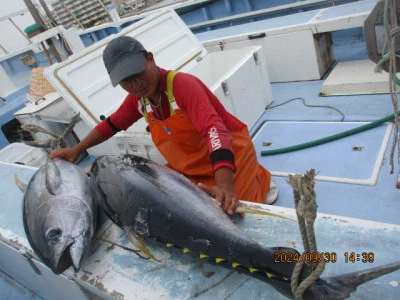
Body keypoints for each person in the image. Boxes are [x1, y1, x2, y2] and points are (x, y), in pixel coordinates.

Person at [50, 36, 278, 215]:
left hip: (230, 158)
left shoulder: (183, 86)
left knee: (234, 211)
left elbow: (215, 132)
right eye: (125, 81)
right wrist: (76, 150)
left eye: (137, 73)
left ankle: (253, 178)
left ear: (150, 58)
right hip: (191, 166)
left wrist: (225, 186)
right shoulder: (139, 100)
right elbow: (111, 125)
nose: (135, 84)